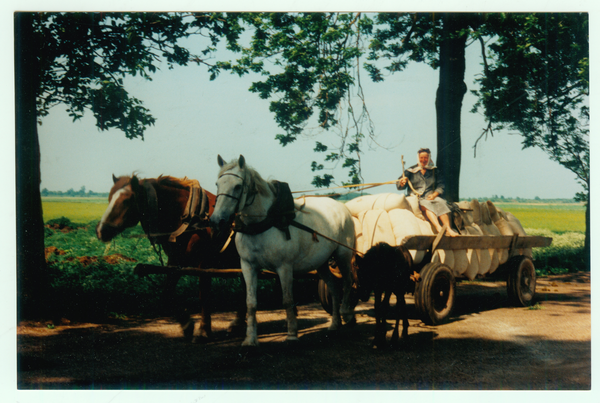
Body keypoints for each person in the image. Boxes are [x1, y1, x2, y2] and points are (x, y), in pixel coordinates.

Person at [397, 148, 459, 237]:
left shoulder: (434, 171)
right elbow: (400, 185)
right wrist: (402, 182)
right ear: (418, 158)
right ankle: (438, 227)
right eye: (421, 158)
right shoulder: (410, 171)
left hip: (431, 197)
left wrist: (434, 195)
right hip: (417, 198)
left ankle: (448, 229)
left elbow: (441, 185)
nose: (423, 160)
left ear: (429, 158)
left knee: (441, 203)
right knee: (428, 205)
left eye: (425, 158)